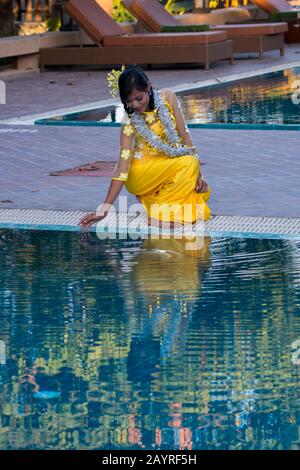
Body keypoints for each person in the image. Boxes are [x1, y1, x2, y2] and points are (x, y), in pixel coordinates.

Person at [79, 65, 211, 230]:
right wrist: (105, 209)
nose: (135, 105)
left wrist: (198, 175)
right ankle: (157, 216)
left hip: (165, 165)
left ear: (148, 87)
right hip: (140, 173)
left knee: (203, 191)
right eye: (129, 101)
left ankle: (153, 204)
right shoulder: (130, 120)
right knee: (189, 163)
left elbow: (183, 135)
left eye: (138, 98)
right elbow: (122, 167)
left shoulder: (168, 98)